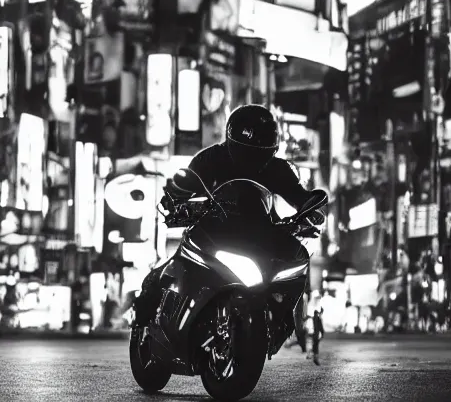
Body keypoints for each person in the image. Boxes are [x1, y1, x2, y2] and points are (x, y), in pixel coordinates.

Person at [134, 104, 326, 326]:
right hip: (210, 232)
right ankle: (143, 324)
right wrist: (175, 200)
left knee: (297, 258)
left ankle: (282, 318)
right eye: (249, 148)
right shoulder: (210, 159)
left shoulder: (278, 169)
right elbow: (184, 186)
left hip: (259, 236)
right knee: (159, 278)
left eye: (262, 147)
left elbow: (299, 196)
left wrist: (310, 212)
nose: (255, 155)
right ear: (233, 141)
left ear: (272, 147)